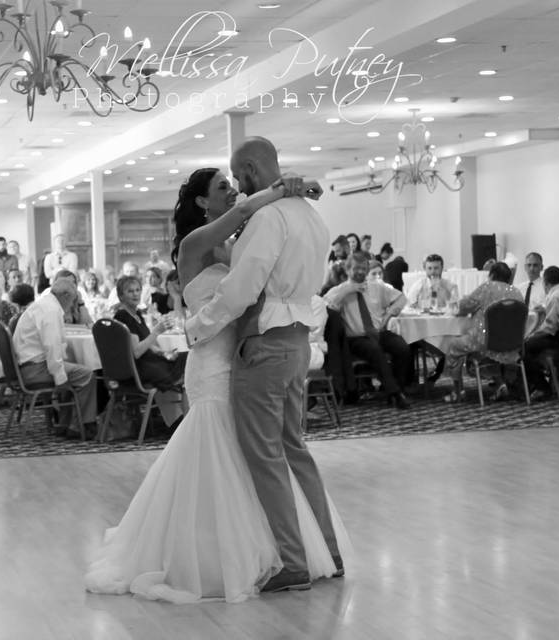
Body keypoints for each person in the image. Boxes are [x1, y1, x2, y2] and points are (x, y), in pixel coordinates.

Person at [86, 162, 345, 603]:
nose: (232, 190)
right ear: (202, 201)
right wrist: (281, 189)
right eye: (222, 186)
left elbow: (251, 282)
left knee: (253, 456)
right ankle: (212, 554)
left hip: (242, 358)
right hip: (210, 363)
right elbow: (239, 219)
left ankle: (270, 548)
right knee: (214, 450)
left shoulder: (231, 247)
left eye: (233, 183)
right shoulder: (195, 244)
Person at [188, 137, 345, 592]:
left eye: (239, 177)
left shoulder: (268, 217)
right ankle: (328, 551)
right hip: (298, 341)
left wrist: (199, 326)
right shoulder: (310, 217)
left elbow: (241, 289)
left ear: (254, 170)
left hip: (267, 342)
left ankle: (293, 562)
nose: (239, 187)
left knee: (264, 454)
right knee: (294, 447)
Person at [13, 269, 98, 436]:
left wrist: (61, 375)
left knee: (68, 372)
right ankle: (82, 425)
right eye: (72, 300)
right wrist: (60, 379)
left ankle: (65, 424)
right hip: (35, 370)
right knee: (87, 375)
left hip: (27, 365)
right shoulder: (51, 311)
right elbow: (52, 349)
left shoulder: (44, 304)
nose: (70, 306)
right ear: (66, 296)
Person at [323, 251, 412, 409]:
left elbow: (401, 298)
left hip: (378, 332)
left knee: (402, 348)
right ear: (348, 269)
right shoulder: (339, 290)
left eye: (364, 268)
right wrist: (347, 291)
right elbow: (325, 307)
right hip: (355, 338)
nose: (361, 272)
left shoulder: (377, 286)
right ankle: (395, 394)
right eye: (356, 268)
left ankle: (398, 389)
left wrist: (389, 315)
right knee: (374, 350)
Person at [441, 262, 524, 403]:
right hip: (511, 343)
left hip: (483, 341)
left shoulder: (486, 289)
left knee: (453, 345)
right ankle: (500, 383)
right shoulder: (517, 293)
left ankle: (458, 390)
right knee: (480, 352)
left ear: (491, 275)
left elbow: (463, 307)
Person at [112, 274, 187, 428]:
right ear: (121, 295)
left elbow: (146, 343)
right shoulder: (123, 316)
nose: (135, 294)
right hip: (138, 368)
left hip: (148, 362)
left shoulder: (136, 314)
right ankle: (185, 424)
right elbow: (137, 351)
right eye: (130, 291)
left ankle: (177, 421)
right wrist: (156, 332)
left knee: (184, 357)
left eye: (138, 290)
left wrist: (162, 353)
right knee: (183, 371)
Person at [524, 266, 559, 400]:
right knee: (530, 343)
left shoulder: (555, 296)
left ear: (545, 283)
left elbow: (550, 327)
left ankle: (541, 387)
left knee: (523, 348)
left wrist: (532, 335)